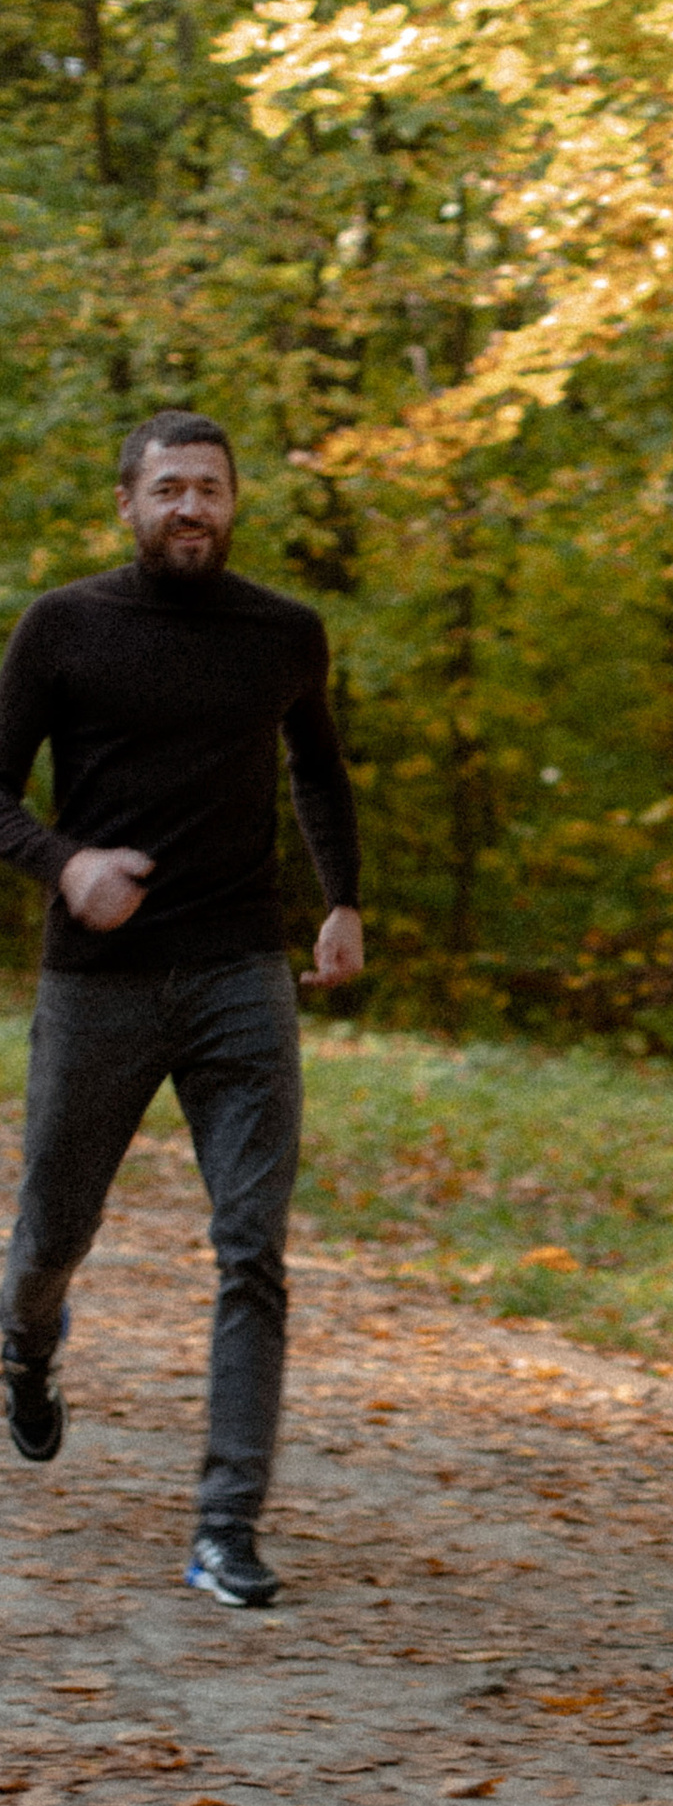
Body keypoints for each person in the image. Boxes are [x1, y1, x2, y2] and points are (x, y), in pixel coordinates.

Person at [0, 412, 363, 1609]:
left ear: (234, 501)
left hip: (238, 976)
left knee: (251, 1247)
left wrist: (342, 902)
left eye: (210, 488)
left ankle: (226, 1526)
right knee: (53, 1227)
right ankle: (27, 1339)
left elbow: (316, 766)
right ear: (128, 504)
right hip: (96, 985)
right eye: (169, 490)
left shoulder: (283, 635)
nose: (191, 508)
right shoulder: (65, 626)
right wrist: (66, 867)